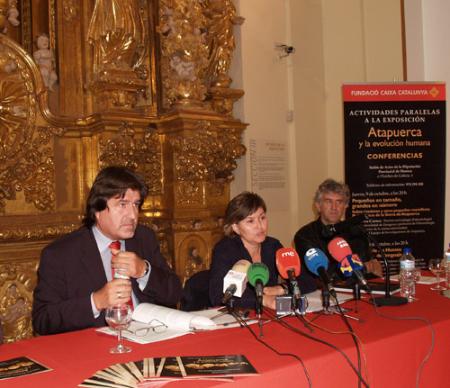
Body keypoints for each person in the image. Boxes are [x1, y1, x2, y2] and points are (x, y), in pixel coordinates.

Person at [32, 166, 182, 335]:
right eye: (122, 204)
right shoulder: (61, 254)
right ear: (97, 210)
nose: (133, 215)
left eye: (136, 204)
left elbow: (175, 294)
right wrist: (96, 302)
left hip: (149, 338)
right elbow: (43, 320)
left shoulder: (144, 238)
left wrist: (144, 271)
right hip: (93, 349)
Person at [209, 192, 316, 310]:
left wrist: (282, 288)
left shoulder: (272, 246)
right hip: (241, 317)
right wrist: (263, 300)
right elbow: (218, 295)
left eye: (262, 218)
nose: (260, 226)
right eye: (250, 221)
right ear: (236, 227)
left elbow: (308, 281)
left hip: (270, 315)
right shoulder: (225, 250)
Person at [294, 178, 382, 283]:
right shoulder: (304, 235)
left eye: (339, 202)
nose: (334, 207)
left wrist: (366, 268)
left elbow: (374, 268)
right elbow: (323, 275)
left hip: (359, 290)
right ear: (318, 206)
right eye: (328, 201)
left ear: (345, 206)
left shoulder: (357, 231)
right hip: (322, 293)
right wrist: (364, 268)